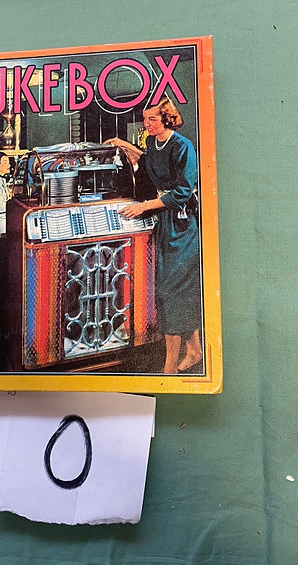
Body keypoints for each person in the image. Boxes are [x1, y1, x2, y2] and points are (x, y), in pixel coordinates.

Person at [105, 97, 202, 374]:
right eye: (145, 119)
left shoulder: (183, 146)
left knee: (172, 291)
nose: (146, 124)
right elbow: (147, 162)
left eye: (152, 119)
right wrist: (123, 145)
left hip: (183, 224)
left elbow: (183, 191)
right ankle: (194, 350)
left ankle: (169, 366)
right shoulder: (151, 142)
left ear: (167, 119)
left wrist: (144, 207)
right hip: (165, 223)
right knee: (172, 291)